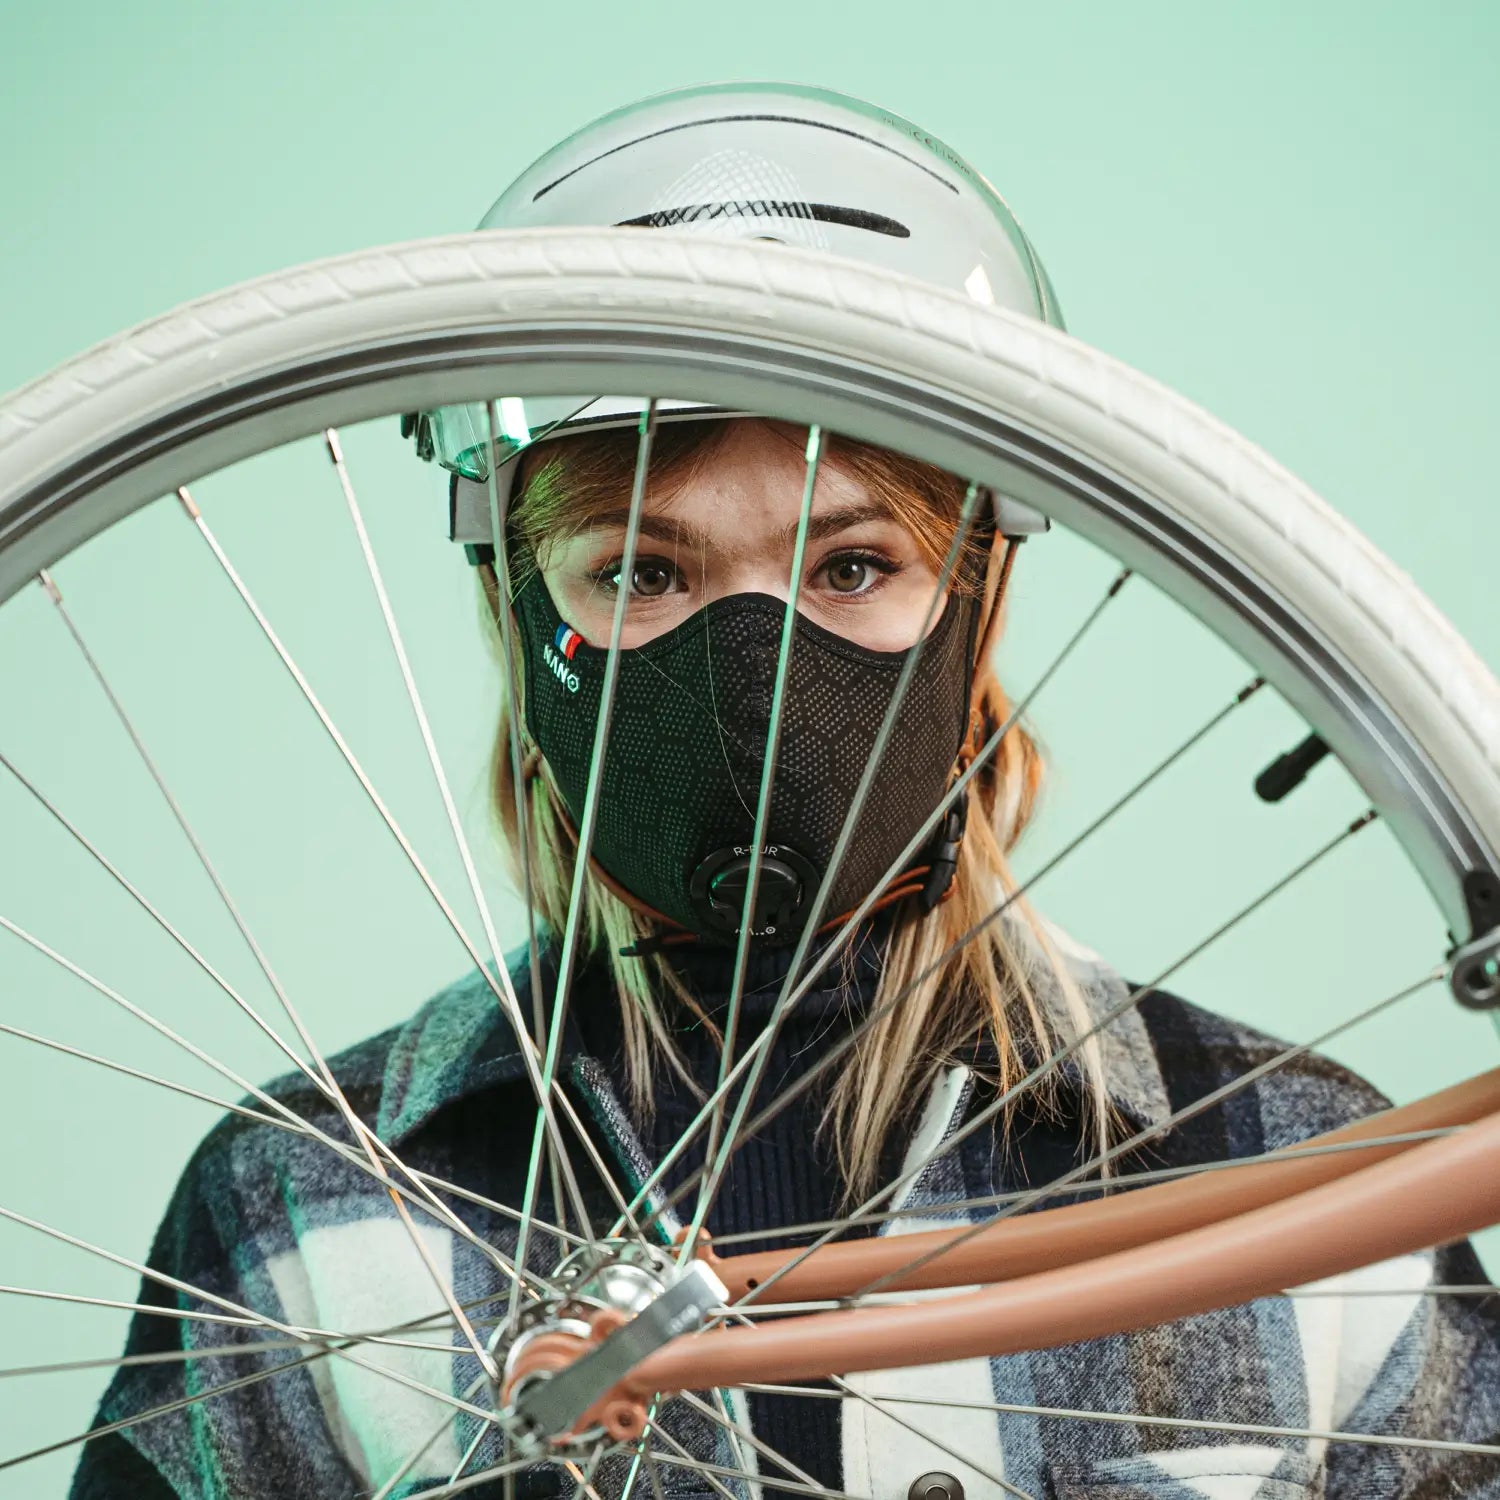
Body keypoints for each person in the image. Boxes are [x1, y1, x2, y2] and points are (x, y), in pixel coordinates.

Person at [73, 84, 1500, 1500]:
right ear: (514, 608)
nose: (754, 686)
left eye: (854, 566)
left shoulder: (1310, 1182)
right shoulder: (301, 1215)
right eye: (643, 571)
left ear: (978, 598)